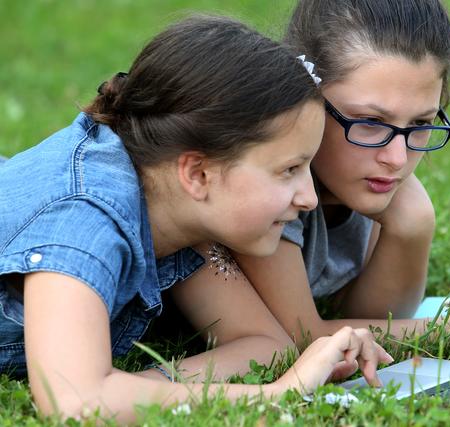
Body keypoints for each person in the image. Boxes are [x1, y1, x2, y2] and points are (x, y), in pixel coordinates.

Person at [0, 15, 391, 423]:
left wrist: (133, 386)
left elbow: (264, 344)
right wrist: (278, 393)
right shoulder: (83, 221)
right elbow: (74, 403)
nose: (310, 198)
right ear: (198, 174)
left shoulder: (171, 201)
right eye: (289, 170)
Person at [199, 0, 450, 351]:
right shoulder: (268, 191)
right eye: (370, 122)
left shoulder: (361, 174)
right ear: (304, 99)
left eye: (420, 124)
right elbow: (302, 337)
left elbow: (370, 314)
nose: (397, 158)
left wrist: (412, 228)